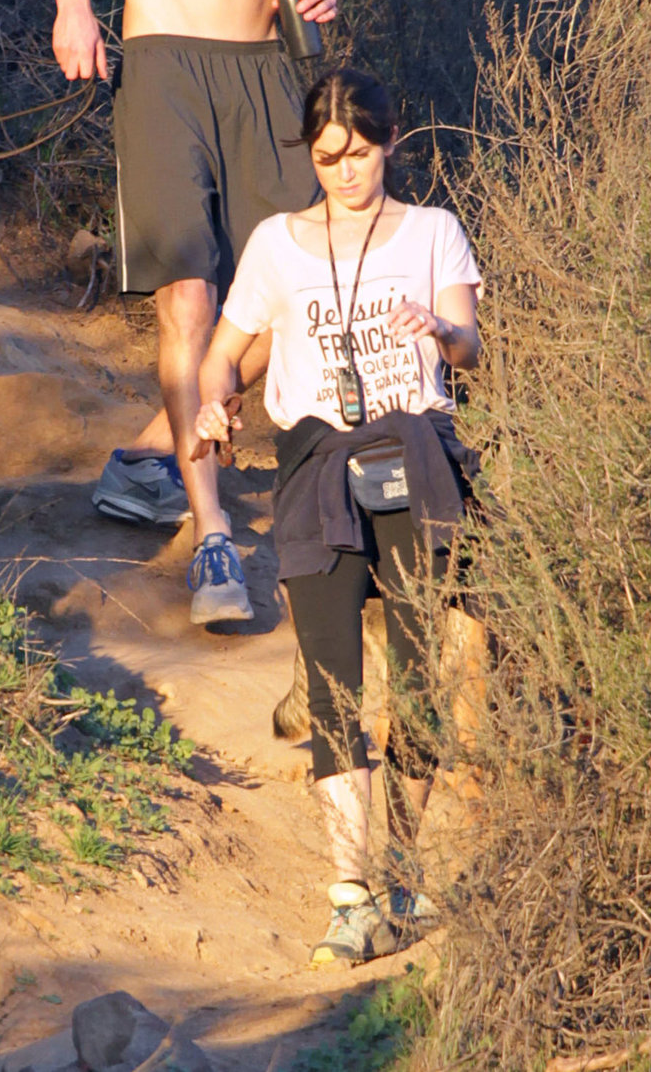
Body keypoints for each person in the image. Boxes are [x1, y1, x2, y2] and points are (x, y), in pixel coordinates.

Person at [20, 0, 337, 624]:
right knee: (190, 293)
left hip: (264, 74)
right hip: (165, 64)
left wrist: (321, 4)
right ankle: (212, 541)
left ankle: (157, 454)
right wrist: (72, 1)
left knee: (296, 294)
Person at [194, 67, 481, 965]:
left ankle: (404, 875)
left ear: (389, 143)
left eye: (358, 153)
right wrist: (214, 405)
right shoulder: (276, 243)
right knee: (330, 683)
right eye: (326, 157)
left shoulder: (434, 232)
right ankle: (350, 896)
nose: (344, 172)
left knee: (422, 677)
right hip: (315, 466)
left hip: (417, 462)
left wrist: (438, 333)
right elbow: (225, 353)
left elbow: (471, 346)